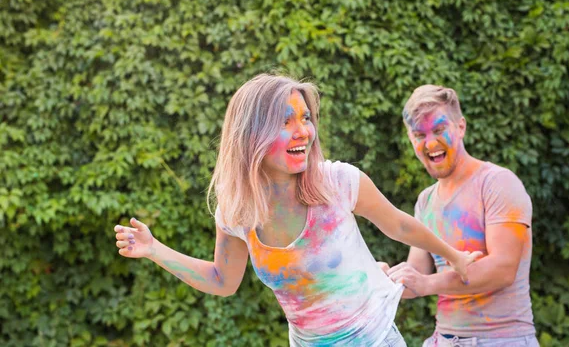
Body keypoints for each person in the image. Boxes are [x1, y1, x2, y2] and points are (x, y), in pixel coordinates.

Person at [114, 75, 480, 347]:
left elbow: (399, 225)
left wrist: (455, 258)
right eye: (286, 121)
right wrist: (153, 249)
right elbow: (222, 281)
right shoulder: (237, 211)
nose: (303, 131)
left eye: (305, 118)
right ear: (250, 134)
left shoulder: (337, 182)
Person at [381, 85, 538, 346]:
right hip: (444, 339)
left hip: (502, 339)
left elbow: (503, 270)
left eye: (439, 130)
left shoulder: (498, 183)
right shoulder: (426, 201)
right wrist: (384, 278)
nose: (430, 143)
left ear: (461, 127)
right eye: (419, 134)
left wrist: (427, 284)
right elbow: (416, 277)